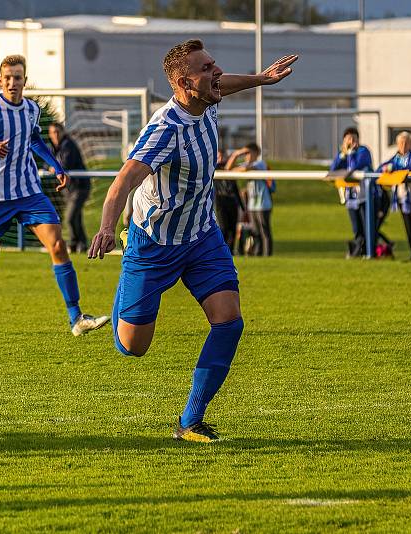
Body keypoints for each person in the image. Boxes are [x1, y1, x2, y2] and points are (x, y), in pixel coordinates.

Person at [88, 40, 297, 442]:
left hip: (201, 235)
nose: (217, 72)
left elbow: (227, 83)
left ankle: (190, 421)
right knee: (133, 347)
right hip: (153, 244)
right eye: (207, 68)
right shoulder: (165, 128)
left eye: (215, 65)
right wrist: (107, 228)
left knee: (229, 321)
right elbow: (123, 181)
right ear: (185, 83)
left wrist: (260, 79)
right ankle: (123, 298)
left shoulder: (209, 98)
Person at [0, 54, 109, 337]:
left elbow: (33, 140)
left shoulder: (31, 109)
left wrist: (56, 166)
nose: (12, 82)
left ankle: (76, 318)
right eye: (7, 78)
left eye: (17, 77)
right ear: (0, 80)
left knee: (57, 245)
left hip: (28, 191)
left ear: (24, 81)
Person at [381, 131, 411, 260]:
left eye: (406, 142)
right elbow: (382, 167)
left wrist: (393, 168)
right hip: (402, 197)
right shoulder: (396, 157)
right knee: (409, 228)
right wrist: (386, 168)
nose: (403, 145)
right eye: (400, 143)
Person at [329, 127, 373, 257]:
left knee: (367, 226)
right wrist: (343, 155)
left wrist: (351, 153)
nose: (351, 141)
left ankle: (370, 251)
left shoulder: (363, 151)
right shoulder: (343, 154)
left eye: (354, 138)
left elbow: (356, 166)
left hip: (365, 196)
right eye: (348, 138)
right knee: (356, 228)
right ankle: (359, 251)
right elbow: (333, 169)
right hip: (351, 197)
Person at [48, 122, 90, 253]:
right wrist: (50, 167)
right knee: (76, 218)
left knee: (70, 217)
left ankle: (73, 243)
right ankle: (81, 244)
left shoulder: (68, 145)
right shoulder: (53, 147)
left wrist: (54, 168)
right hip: (68, 189)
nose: (55, 135)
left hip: (80, 187)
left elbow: (64, 164)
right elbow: (46, 163)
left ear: (63, 132)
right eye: (53, 132)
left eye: (58, 132)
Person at [228, 143, 275, 256]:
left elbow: (246, 168)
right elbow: (229, 170)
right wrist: (236, 154)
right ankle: (258, 254)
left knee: (264, 230)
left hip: (263, 203)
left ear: (256, 153)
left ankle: (267, 254)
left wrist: (245, 163)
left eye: (248, 153)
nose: (246, 155)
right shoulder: (247, 164)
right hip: (252, 204)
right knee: (255, 231)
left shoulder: (260, 163)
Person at [214, 148, 243, 253]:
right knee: (223, 228)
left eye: (221, 156)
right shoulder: (214, 168)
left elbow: (235, 188)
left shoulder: (230, 169)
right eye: (217, 157)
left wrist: (242, 205)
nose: (220, 159)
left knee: (233, 229)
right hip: (220, 201)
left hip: (232, 201)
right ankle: (221, 251)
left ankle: (230, 252)